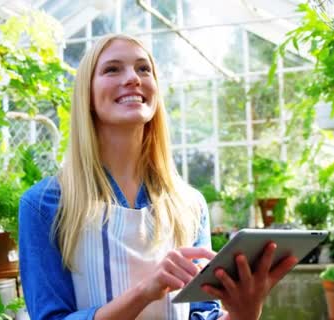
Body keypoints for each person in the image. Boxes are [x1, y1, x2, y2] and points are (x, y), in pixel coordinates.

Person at [18, 33, 298, 320]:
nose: (133, 78)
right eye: (112, 69)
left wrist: (245, 312)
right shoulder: (45, 204)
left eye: (143, 69)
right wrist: (146, 290)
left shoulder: (189, 204)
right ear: (86, 96)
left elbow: (204, 315)